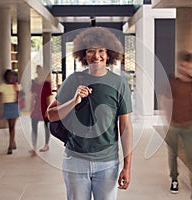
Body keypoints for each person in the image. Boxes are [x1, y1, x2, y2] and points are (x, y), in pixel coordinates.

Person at [47, 27, 133, 200]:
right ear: (83, 55)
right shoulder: (73, 80)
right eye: (91, 51)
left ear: (109, 54)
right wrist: (74, 101)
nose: (96, 55)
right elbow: (51, 115)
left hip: (108, 163)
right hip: (75, 161)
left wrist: (127, 167)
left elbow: (125, 127)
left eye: (101, 51)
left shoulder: (119, 83)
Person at [162, 51, 192, 200]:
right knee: (173, 154)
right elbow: (164, 100)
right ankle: (174, 180)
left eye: (188, 65)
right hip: (174, 125)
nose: (186, 67)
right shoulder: (172, 82)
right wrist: (167, 119)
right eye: (183, 65)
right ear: (179, 65)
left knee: (191, 156)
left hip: (188, 125)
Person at [0, 69, 20, 155]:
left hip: (14, 106)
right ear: (5, 77)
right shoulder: (2, 87)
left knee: (12, 126)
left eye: (12, 76)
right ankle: (13, 141)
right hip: (6, 106)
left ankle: (10, 146)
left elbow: (20, 96)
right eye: (9, 76)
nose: (10, 78)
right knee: (10, 127)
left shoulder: (16, 86)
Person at [30, 65, 52, 156]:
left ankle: (46, 145)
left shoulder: (47, 84)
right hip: (37, 107)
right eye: (37, 71)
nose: (38, 73)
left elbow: (48, 98)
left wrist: (48, 109)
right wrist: (31, 107)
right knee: (34, 126)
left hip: (44, 106)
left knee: (46, 126)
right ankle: (34, 147)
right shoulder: (34, 82)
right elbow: (33, 96)